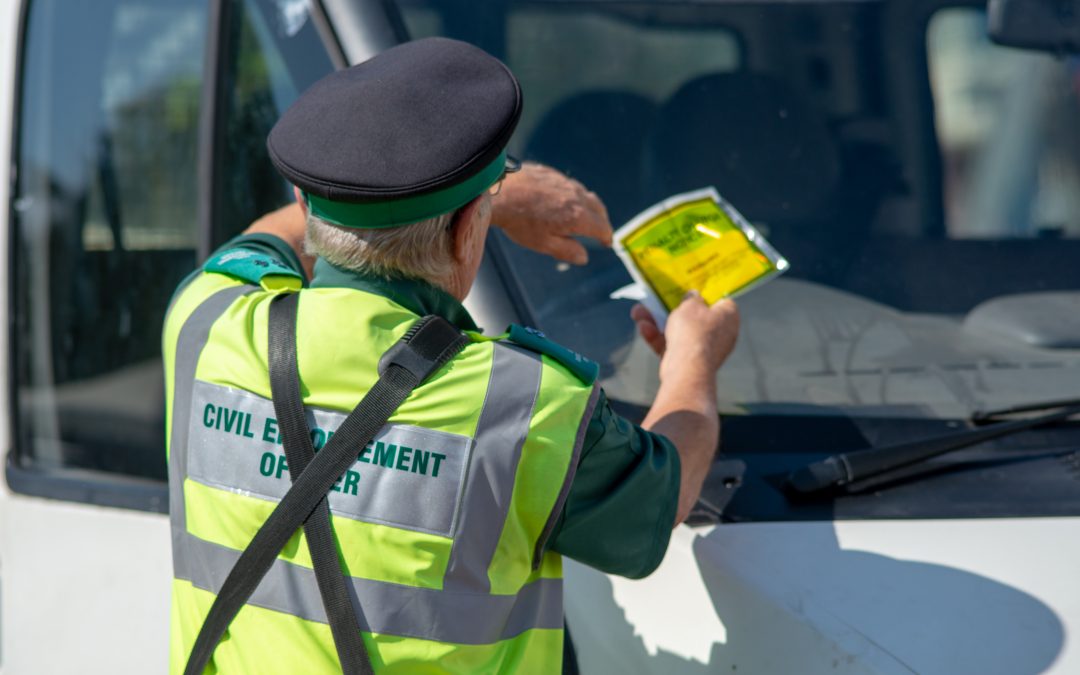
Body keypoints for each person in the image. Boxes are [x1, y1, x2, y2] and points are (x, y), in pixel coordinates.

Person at [164, 37, 739, 674]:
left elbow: (265, 238)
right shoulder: (525, 407)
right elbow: (657, 504)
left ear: (305, 200)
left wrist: (484, 198)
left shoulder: (204, 321)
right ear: (470, 231)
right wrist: (695, 360)